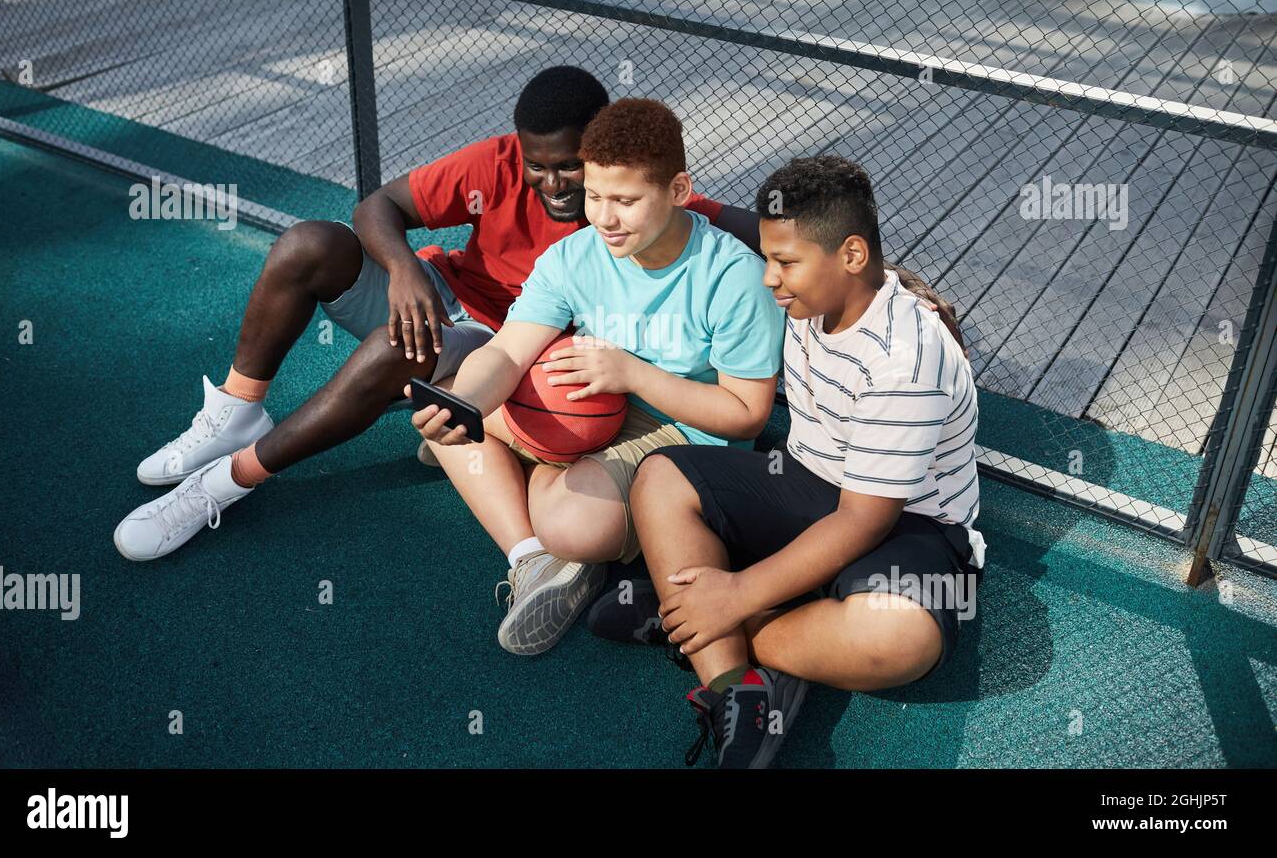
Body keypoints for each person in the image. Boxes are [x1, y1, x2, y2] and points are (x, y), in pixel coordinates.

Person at [112, 68, 741, 561]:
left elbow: (749, 226)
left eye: (568, 165)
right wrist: (406, 269)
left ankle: (225, 483)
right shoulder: (495, 164)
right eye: (537, 165)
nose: (551, 182)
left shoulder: (634, 198)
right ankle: (234, 414)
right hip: (447, 297)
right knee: (310, 244)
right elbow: (377, 207)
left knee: (396, 348)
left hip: (509, 347)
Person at [624, 155, 987, 767]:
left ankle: (695, 621)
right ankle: (734, 688)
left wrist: (735, 596)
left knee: (901, 641)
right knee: (660, 476)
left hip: (910, 524)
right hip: (806, 481)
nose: (770, 278)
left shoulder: (907, 360)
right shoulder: (813, 279)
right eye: (769, 257)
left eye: (785, 263)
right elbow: (736, 220)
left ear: (850, 256)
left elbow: (863, 521)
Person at [411, 98, 785, 655]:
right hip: (599, 400)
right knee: (456, 407)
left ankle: (533, 481)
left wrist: (631, 374)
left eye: (626, 201)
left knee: (572, 525)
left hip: (687, 432)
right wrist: (462, 401)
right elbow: (509, 352)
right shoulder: (573, 256)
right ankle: (532, 559)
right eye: (594, 195)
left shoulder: (734, 277)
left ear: (679, 190)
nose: (604, 217)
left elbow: (746, 415)